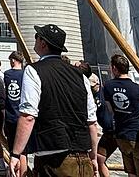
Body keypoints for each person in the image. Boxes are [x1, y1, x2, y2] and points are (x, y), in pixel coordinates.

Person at [9, 24, 97, 177]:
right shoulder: (80, 76)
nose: (35, 40)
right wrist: (93, 157)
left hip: (53, 159)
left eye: (37, 37)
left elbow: (28, 116)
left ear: (43, 43)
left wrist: (16, 154)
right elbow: (91, 121)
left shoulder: (34, 70)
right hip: (82, 155)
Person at [103, 54, 139, 177]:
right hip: (137, 135)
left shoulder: (108, 86)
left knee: (131, 171)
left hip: (121, 134)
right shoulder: (138, 89)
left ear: (114, 68)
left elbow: (110, 110)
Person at [2, 51, 29, 176]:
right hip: (23, 114)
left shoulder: (7, 74)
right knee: (23, 151)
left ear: (13, 60)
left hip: (11, 115)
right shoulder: (26, 75)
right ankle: (22, 173)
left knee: (13, 149)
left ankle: (14, 173)